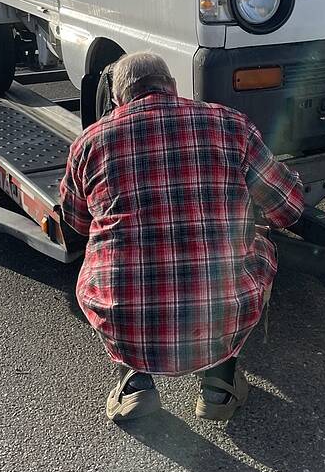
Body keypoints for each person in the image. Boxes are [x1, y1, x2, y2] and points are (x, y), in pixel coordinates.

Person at [59, 51, 304, 423]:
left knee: (100, 262)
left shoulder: (89, 143)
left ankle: (134, 385)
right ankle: (219, 387)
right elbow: (288, 209)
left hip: (125, 313)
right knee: (260, 244)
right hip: (222, 304)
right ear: (172, 87)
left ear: (116, 100)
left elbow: (76, 221)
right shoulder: (230, 124)